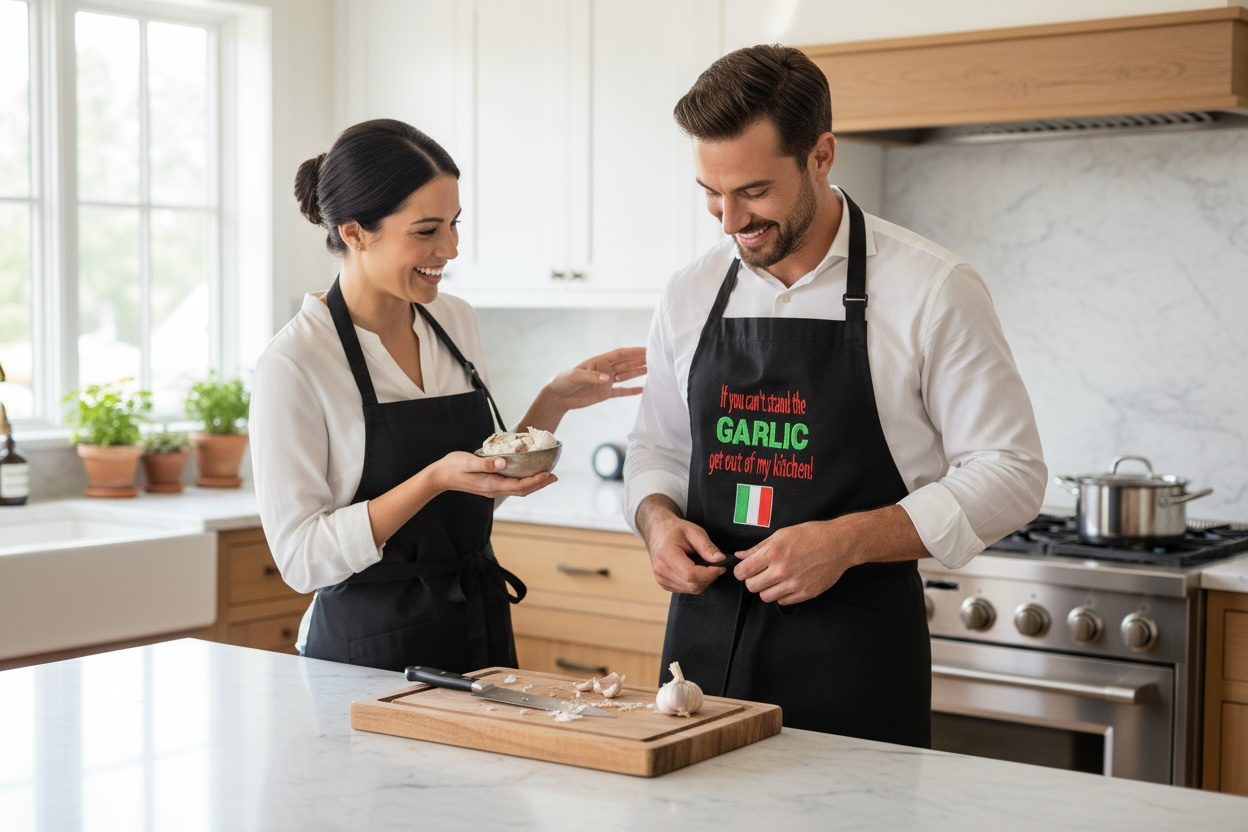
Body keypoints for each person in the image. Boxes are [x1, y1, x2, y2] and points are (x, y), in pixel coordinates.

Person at [623, 45, 1046, 747]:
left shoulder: (931, 287)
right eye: (710, 193)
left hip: (857, 660)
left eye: (753, 192)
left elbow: (1012, 473)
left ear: (821, 156)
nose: (729, 221)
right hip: (701, 666)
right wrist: (658, 520)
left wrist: (846, 541)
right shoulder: (690, 290)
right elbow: (658, 447)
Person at [251, 119, 646, 674]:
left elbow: (475, 494)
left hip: (475, 631)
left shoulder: (453, 320)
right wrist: (432, 479)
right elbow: (301, 559)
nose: (451, 248)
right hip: (365, 653)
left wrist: (552, 402)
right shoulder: (296, 363)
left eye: (455, 225)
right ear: (354, 232)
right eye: (427, 230)